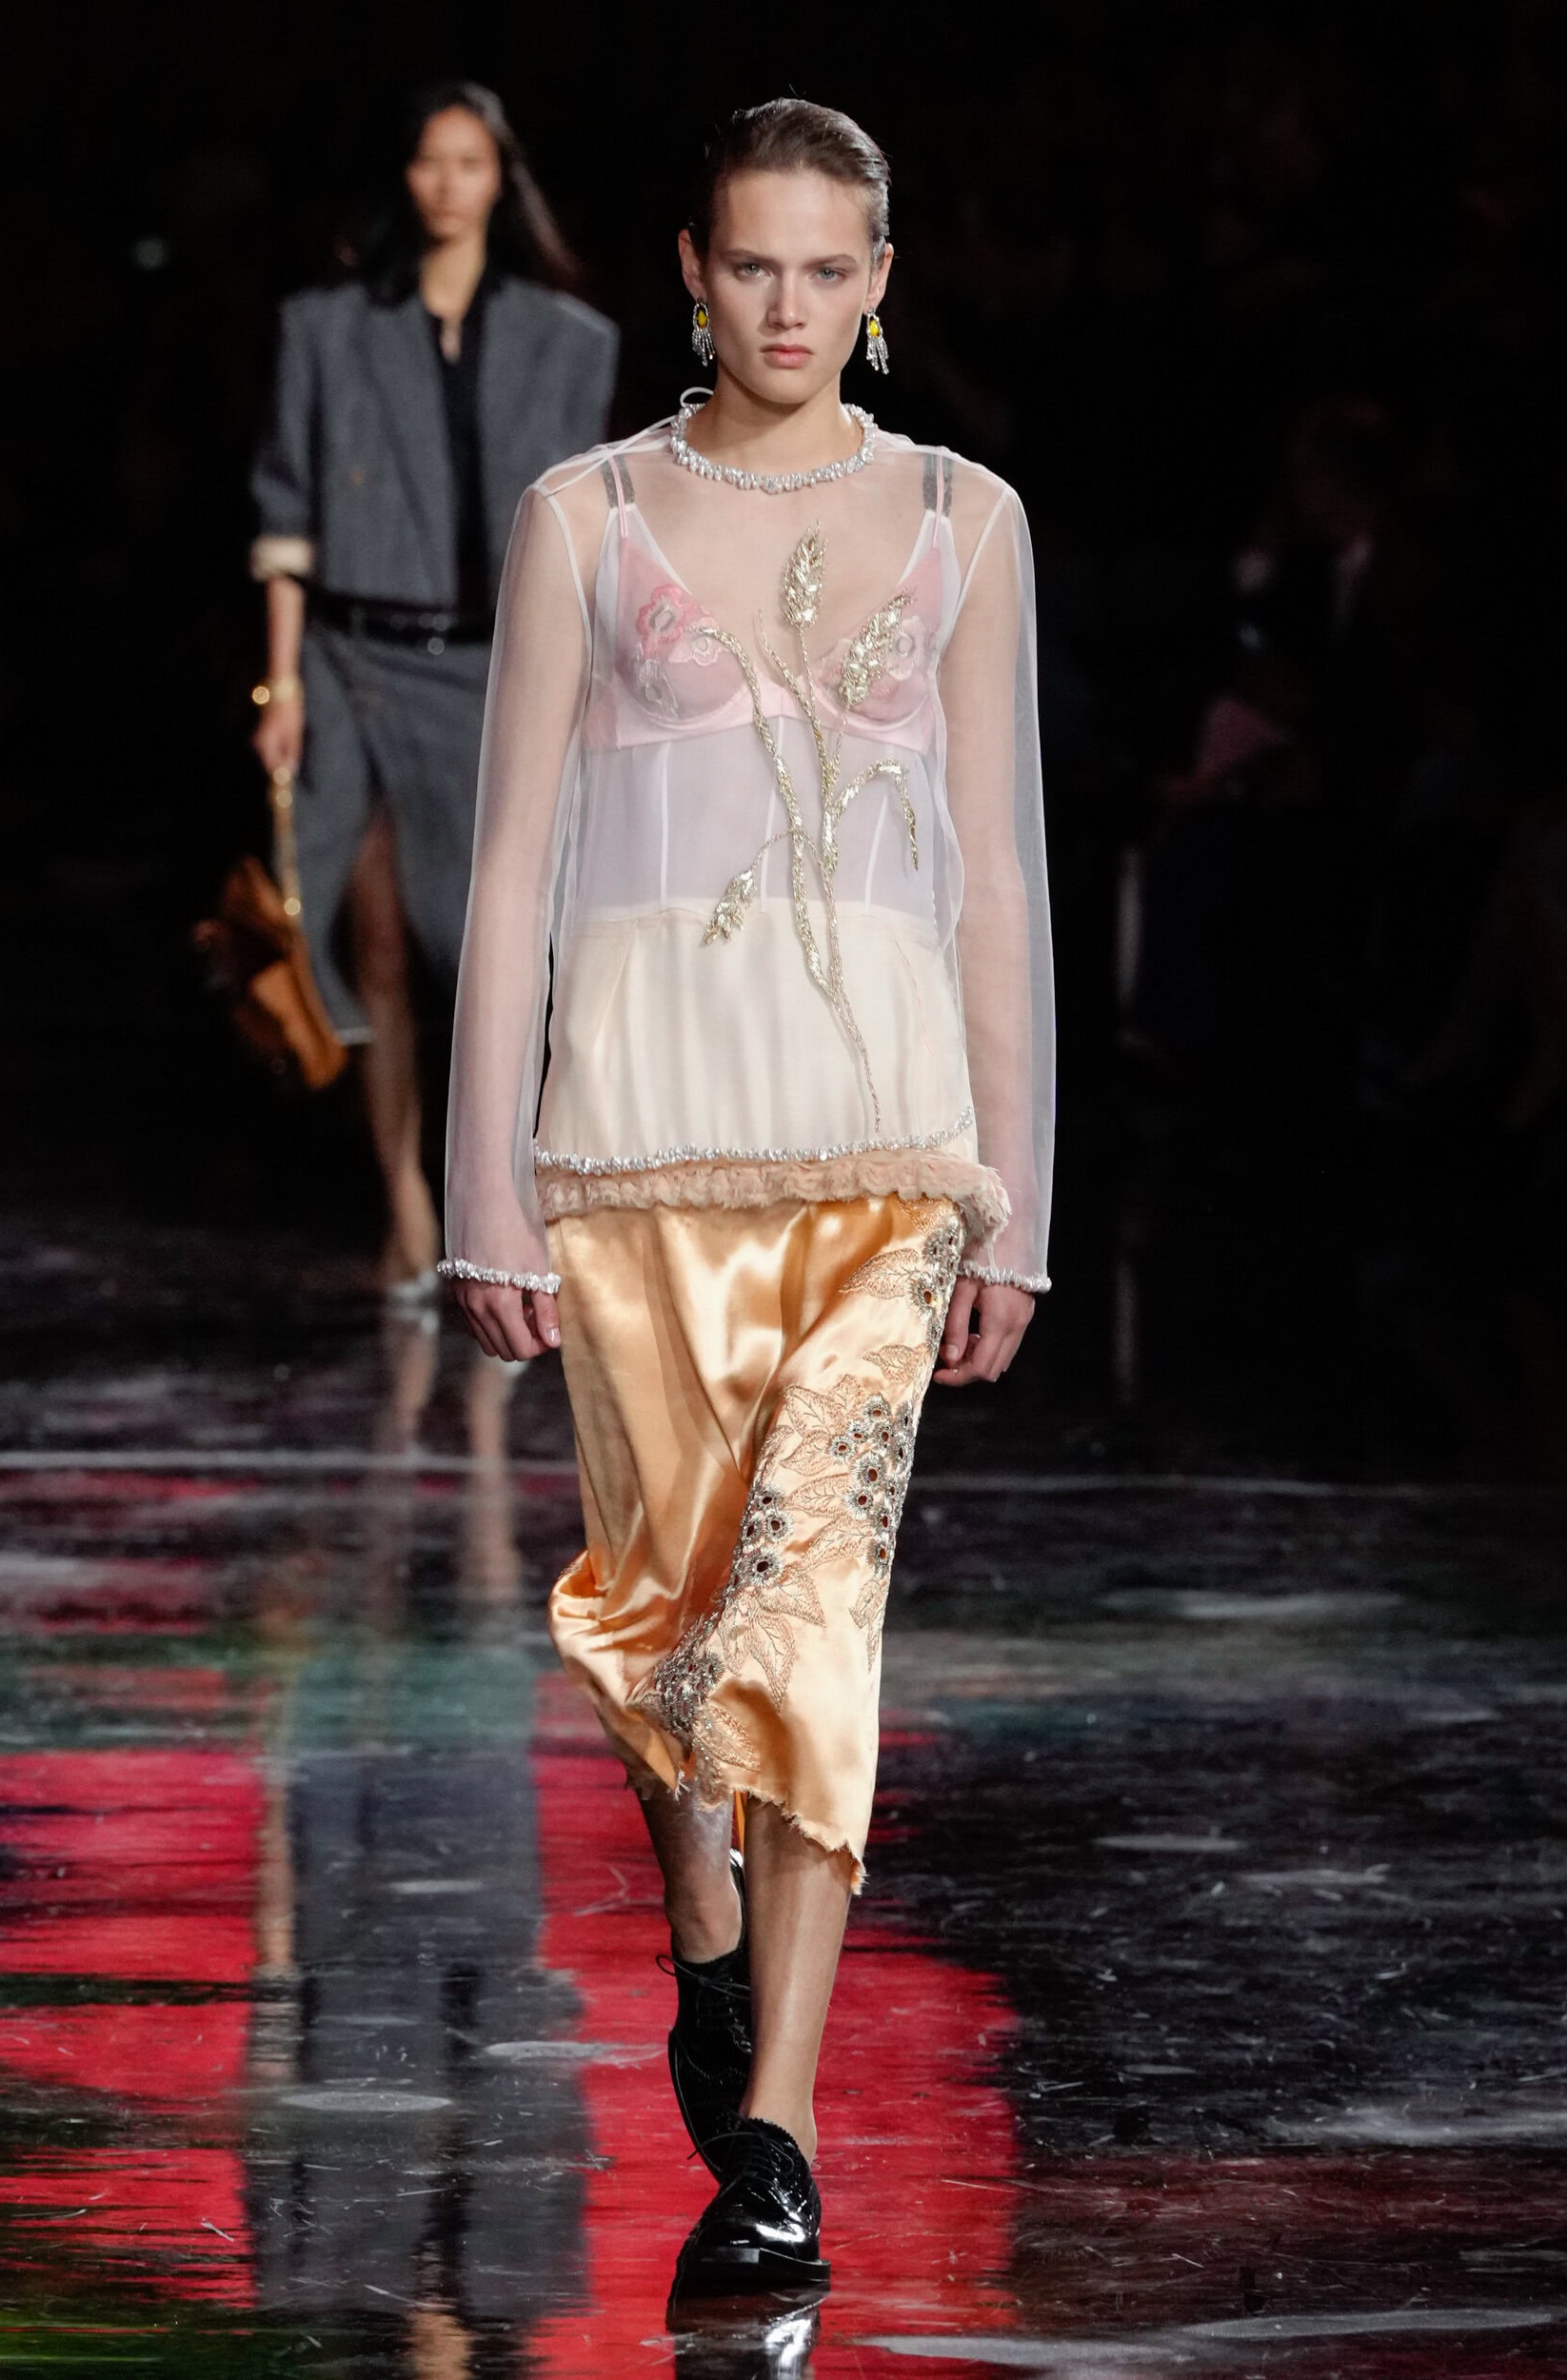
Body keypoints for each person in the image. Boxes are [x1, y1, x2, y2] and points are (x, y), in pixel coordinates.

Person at [442, 98, 1054, 2298]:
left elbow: (998, 879)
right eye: (751, 265)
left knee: (808, 1621)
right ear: (691, 275)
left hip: (885, 1157)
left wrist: (1014, 1198)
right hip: (634, 1156)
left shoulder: (965, 519)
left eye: (828, 268)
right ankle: (699, 1911)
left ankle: (773, 2123)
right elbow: (509, 864)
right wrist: (483, 1184)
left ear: (877, 283)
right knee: (664, 1616)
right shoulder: (584, 516)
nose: (788, 306)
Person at [249, 82, 618, 1295]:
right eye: (429, 160)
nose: (448, 184)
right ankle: (406, 1199)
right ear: (403, 176)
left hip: (489, 666)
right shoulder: (327, 328)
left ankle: (497, 1194)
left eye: (471, 161)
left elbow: (581, 534)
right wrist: (280, 683)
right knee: (371, 937)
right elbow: (288, 513)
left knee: (486, 939)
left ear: (500, 180)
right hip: (352, 656)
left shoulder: (566, 342)